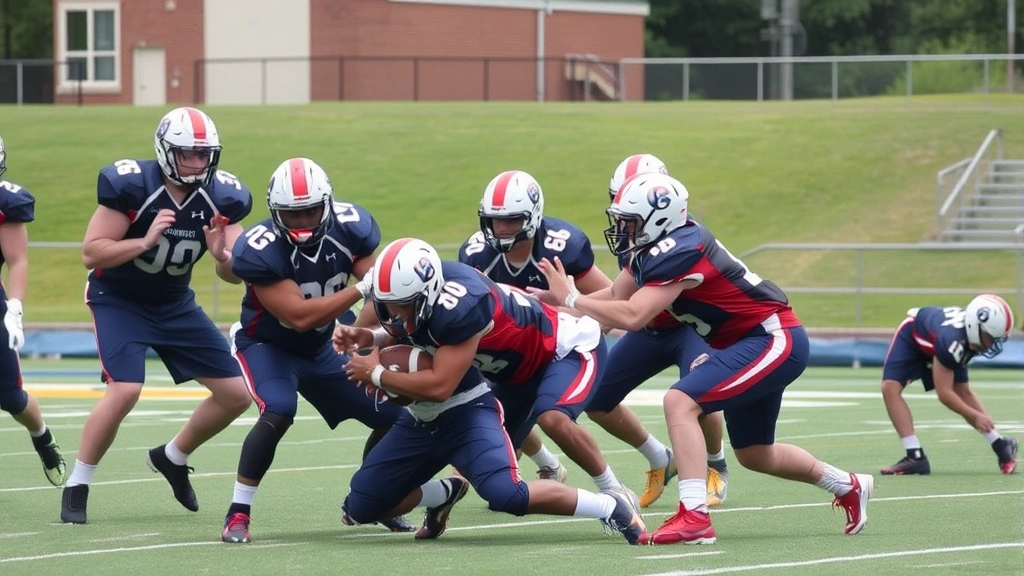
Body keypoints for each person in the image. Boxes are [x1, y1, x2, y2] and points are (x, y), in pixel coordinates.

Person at [532, 172, 873, 545]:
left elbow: (632, 317)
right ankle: (847, 484)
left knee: (679, 401)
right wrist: (559, 303)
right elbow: (615, 296)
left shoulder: (681, 247)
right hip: (741, 342)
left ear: (659, 219)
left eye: (629, 221)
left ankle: (694, 515)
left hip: (770, 337)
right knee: (756, 453)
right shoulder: (652, 249)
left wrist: (571, 299)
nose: (621, 229)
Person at [338, 238, 645, 544]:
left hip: (561, 348)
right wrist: (371, 337)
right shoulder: (420, 292)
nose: (393, 312)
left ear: (427, 293)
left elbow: (440, 385)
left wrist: (376, 373)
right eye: (387, 304)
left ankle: (612, 498)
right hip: (511, 374)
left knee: (527, 458)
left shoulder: (462, 305)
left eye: (401, 305)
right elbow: (414, 326)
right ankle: (444, 493)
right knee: (361, 507)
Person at [61, 107, 253, 524]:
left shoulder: (222, 196)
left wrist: (222, 258)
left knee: (238, 394)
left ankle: (173, 456)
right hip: (119, 298)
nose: (198, 163)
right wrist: (144, 240)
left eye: (205, 155)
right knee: (126, 389)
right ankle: (78, 483)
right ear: (167, 152)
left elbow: (235, 271)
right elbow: (91, 253)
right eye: (188, 154)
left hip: (174, 303)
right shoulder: (131, 184)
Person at [220, 157, 411, 543]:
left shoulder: (351, 227)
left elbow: (384, 294)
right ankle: (237, 513)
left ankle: (374, 498)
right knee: (279, 410)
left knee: (396, 414)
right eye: (292, 215)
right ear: (275, 213)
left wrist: (356, 331)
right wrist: (361, 289)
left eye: (310, 211)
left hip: (323, 347)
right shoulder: (260, 248)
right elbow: (300, 316)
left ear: (326, 204)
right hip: (267, 345)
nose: (303, 222)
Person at [589, 153, 730, 508]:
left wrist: (578, 303)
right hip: (650, 329)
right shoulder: (634, 235)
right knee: (596, 401)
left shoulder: (682, 240)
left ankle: (716, 465)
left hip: (690, 328)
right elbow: (618, 296)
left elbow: (631, 308)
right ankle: (659, 457)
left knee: (701, 394)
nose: (622, 217)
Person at [459, 169, 617, 483]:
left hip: (561, 348)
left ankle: (615, 488)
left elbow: (610, 299)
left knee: (554, 416)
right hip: (510, 357)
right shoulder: (476, 255)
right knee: (481, 462)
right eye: (494, 219)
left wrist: (570, 308)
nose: (501, 228)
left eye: (511, 220)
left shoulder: (561, 246)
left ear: (532, 216)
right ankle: (548, 463)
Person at [879, 296, 1017, 475]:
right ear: (975, 327)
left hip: (942, 342)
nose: (991, 344)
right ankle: (915, 455)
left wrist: (977, 416)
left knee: (963, 391)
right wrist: (975, 415)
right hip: (913, 338)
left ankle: (1001, 445)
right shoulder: (952, 340)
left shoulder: (968, 336)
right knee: (890, 387)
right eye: (989, 338)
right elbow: (944, 393)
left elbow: (960, 392)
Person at [0, 134, 66, 486]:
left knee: (11, 397)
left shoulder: (6, 202)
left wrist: (15, 308)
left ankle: (42, 436)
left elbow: (17, 260)